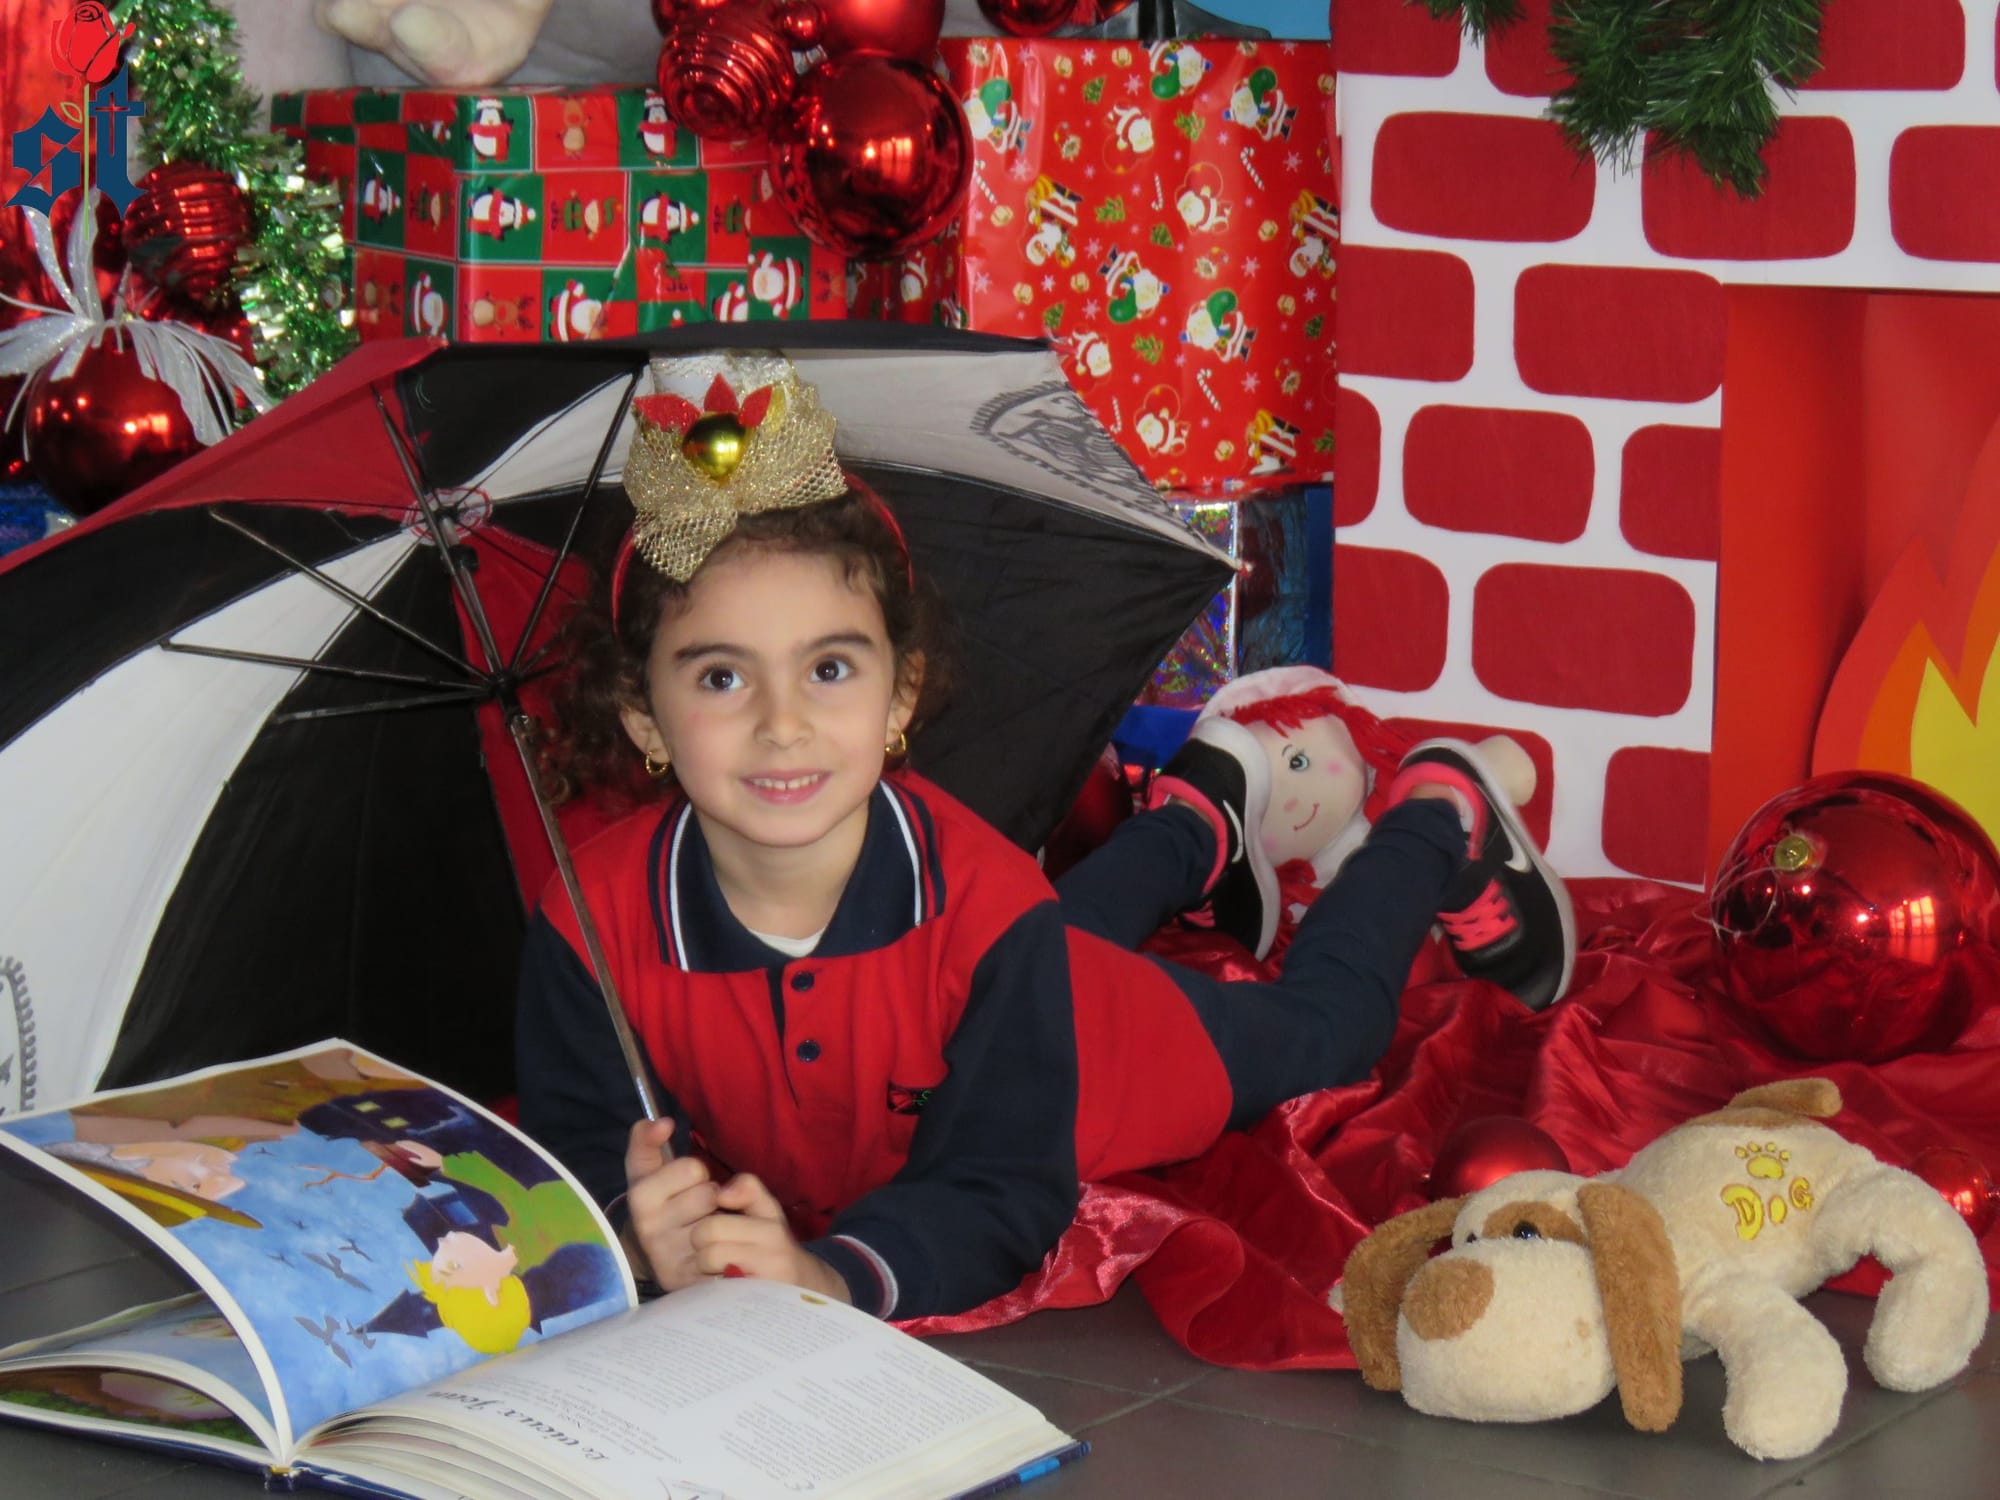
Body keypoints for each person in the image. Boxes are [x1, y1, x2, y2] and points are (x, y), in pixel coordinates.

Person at [515, 352, 1575, 1324]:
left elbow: (997, 1187)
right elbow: (582, 1148)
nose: (781, 723)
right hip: (982, 969)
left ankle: (1434, 809)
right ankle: (1196, 821)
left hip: (1095, 1055)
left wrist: (831, 1275)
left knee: (1325, 1030)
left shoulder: (988, 909)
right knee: (1044, 931)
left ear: (900, 694)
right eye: (720, 677)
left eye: (828, 669)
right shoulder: (587, 920)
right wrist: (636, 1233)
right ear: (643, 716)